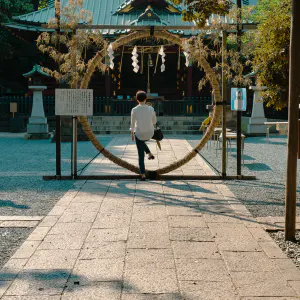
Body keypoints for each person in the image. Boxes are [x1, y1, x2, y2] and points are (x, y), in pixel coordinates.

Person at [130, 90, 156, 181]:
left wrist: (132, 134)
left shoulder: (134, 110)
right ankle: (149, 153)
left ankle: (143, 174)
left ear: (137, 100)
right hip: (150, 133)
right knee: (140, 141)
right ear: (146, 98)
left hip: (139, 133)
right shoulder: (151, 109)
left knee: (140, 154)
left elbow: (132, 124)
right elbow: (154, 122)